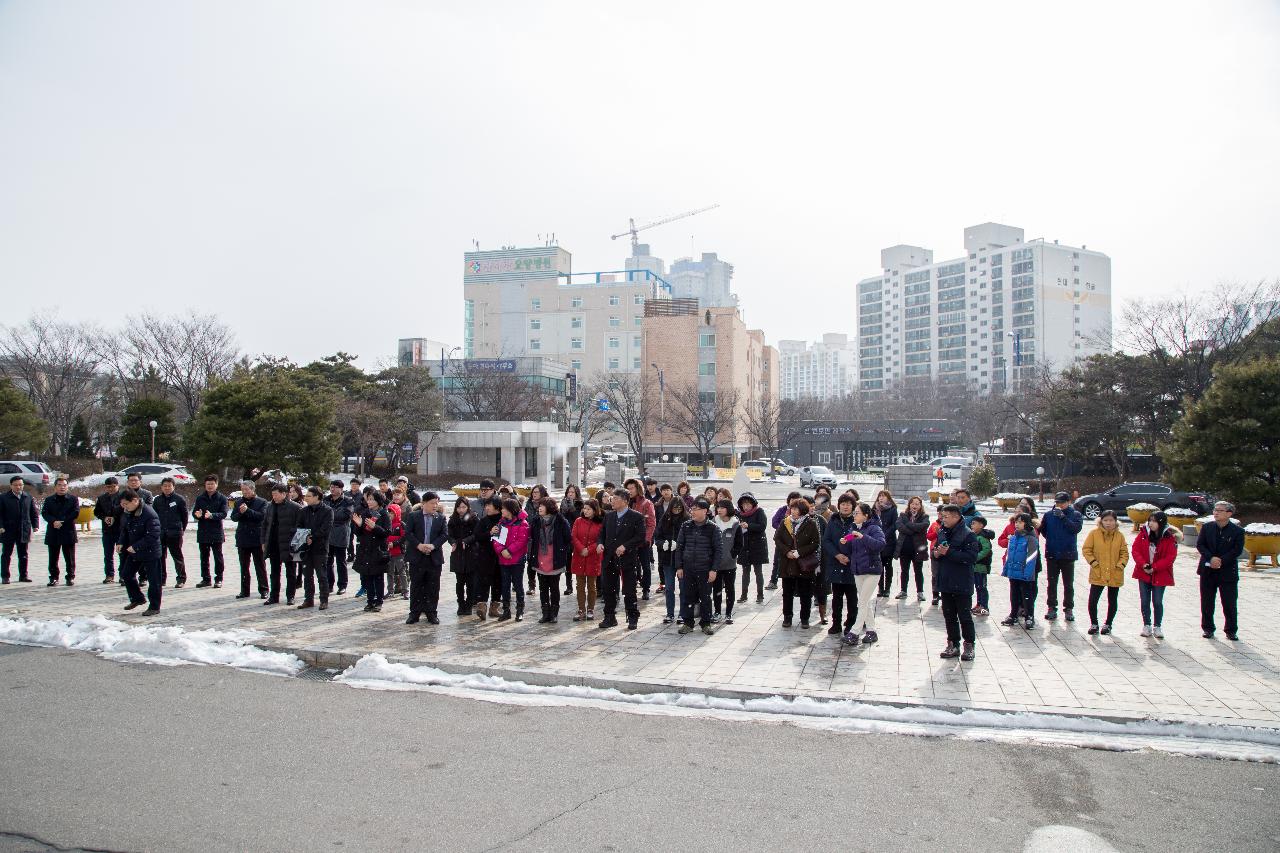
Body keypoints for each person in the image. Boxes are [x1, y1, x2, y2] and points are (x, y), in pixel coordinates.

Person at [933, 504, 980, 660]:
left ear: (956, 516)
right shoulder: (942, 531)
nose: (943, 519)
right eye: (942, 516)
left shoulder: (968, 534)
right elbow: (935, 551)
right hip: (945, 580)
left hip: (962, 581)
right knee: (949, 615)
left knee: (964, 615)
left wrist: (949, 552)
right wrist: (936, 554)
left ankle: (969, 646)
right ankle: (953, 644)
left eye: (946, 516)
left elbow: (971, 558)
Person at [838, 502, 887, 645]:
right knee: (865, 602)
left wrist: (862, 537)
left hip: (872, 570)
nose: (854, 515)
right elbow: (850, 549)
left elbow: (880, 545)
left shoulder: (874, 528)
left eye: (857, 513)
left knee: (863, 601)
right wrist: (844, 542)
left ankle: (854, 632)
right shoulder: (853, 529)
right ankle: (871, 631)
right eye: (854, 513)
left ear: (866, 515)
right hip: (858, 570)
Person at [597, 488, 646, 630]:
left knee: (629, 589)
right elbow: (602, 533)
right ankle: (609, 617)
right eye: (611, 498)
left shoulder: (636, 517)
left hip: (627, 559)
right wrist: (600, 543)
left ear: (625, 501)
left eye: (615, 498)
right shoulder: (609, 516)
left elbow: (640, 537)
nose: (612, 501)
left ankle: (632, 617)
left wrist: (625, 546)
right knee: (608, 589)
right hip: (609, 558)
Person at [1197, 501, 1245, 641]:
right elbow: (1200, 545)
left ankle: (1231, 630)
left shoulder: (1238, 531)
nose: (1216, 512)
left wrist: (1221, 561)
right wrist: (1211, 558)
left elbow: (1237, 550)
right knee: (1207, 602)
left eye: (1220, 510)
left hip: (1227, 572)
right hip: (1207, 570)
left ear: (1229, 513)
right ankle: (1208, 628)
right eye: (1215, 510)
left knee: (1229, 603)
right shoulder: (1206, 528)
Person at [674, 497, 721, 635]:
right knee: (688, 596)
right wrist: (679, 567)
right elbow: (679, 548)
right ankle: (688, 622)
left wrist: (714, 569)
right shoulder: (686, 526)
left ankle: (706, 623)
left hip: (705, 569)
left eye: (695, 509)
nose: (692, 512)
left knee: (705, 597)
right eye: (692, 509)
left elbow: (718, 550)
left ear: (705, 511)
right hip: (688, 568)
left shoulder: (713, 528)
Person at [775, 497, 821, 629]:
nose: (793, 511)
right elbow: (777, 539)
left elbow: (815, 543)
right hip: (788, 563)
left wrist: (799, 552)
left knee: (805, 593)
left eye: (796, 509)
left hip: (804, 563)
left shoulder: (810, 523)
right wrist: (787, 551)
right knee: (787, 593)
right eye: (792, 508)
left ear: (803, 510)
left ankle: (805, 618)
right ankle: (787, 617)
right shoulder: (785, 522)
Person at [1131, 511, 1179, 639]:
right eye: (1150, 520)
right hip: (1143, 572)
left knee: (1157, 601)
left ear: (1161, 523)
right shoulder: (1143, 534)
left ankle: (1157, 626)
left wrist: (1155, 567)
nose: (1151, 523)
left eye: (1154, 521)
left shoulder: (1169, 537)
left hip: (1160, 574)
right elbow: (1135, 550)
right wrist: (1144, 565)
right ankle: (1146, 625)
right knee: (1145, 600)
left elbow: (1170, 557)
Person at [1040, 491, 1084, 622]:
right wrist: (1052, 540)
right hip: (1052, 553)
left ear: (1068, 502)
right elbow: (1044, 531)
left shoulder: (1075, 514)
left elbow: (1075, 529)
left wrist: (1063, 517)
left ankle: (1068, 608)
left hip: (1068, 554)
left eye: (1062, 503)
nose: (1060, 505)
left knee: (1068, 584)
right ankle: (1051, 607)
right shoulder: (1048, 515)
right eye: (1057, 502)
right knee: (1051, 583)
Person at [403, 491, 447, 625]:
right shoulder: (413, 516)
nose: (435, 506)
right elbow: (408, 533)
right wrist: (418, 545)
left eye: (436, 503)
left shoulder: (440, 518)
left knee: (433, 586)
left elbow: (444, 535)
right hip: (417, 557)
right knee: (416, 585)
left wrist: (433, 545)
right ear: (424, 504)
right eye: (432, 503)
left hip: (434, 557)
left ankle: (431, 612)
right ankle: (414, 613)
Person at [116, 488, 161, 613]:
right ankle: (137, 598)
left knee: (154, 580)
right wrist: (120, 542)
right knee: (126, 574)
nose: (124, 507)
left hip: (150, 551)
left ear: (135, 500)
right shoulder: (128, 512)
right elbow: (125, 529)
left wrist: (136, 546)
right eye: (122, 504)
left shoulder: (149, 514)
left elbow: (153, 535)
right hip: (135, 551)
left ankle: (154, 607)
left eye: (126, 504)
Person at [1082, 510, 1127, 635]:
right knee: (1093, 600)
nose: (1108, 523)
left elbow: (1124, 553)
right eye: (1105, 520)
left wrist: (1120, 565)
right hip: (1098, 571)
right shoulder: (1094, 534)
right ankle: (1094, 623)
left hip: (1115, 572)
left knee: (1112, 600)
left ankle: (1108, 624)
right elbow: (1087, 550)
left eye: (1111, 520)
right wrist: (1094, 563)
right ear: (1101, 521)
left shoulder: (1119, 536)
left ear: (1115, 521)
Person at [527, 496, 571, 623]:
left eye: (542, 506)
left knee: (554, 587)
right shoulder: (536, 521)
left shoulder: (561, 521)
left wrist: (561, 550)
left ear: (549, 508)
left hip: (554, 559)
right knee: (543, 587)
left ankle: (554, 613)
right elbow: (531, 537)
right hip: (540, 557)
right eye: (539, 506)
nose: (539, 508)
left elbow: (568, 538)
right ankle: (545, 613)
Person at [822, 494, 859, 639]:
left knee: (852, 597)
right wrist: (837, 555)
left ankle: (850, 623)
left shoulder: (857, 521)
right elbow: (827, 541)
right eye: (843, 503)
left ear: (853, 506)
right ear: (838, 505)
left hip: (852, 565)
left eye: (848, 504)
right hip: (835, 564)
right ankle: (836, 623)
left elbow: (859, 539)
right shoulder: (833, 520)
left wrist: (849, 557)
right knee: (836, 596)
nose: (845, 506)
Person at [262, 484, 305, 605]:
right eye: (273, 494)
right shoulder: (270, 507)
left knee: (291, 572)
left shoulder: (295, 507)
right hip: (274, 543)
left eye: (276, 494)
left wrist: (297, 544)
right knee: (274, 572)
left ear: (284, 494)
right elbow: (265, 525)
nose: (274, 497)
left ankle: (290, 596)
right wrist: (263, 542)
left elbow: (301, 527)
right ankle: (273, 596)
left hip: (289, 544)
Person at [999, 512, 1041, 630]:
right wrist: (1007, 569)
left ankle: (1029, 616)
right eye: (1016, 522)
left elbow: (1032, 557)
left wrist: (1027, 573)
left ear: (1026, 523)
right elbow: (1009, 555)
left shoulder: (1031, 539)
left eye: (1020, 522)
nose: (1017, 524)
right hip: (1014, 572)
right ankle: (1013, 615)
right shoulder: (1013, 537)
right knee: (1014, 594)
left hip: (1024, 573)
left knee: (1027, 595)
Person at [352, 490, 392, 613]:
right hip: (365, 549)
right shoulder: (365, 513)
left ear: (379, 501)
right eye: (368, 499)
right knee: (367, 576)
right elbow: (358, 534)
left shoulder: (384, 514)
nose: (369, 502)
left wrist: (375, 527)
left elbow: (387, 532)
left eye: (372, 499)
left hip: (378, 550)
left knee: (378, 577)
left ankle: (379, 601)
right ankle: (370, 601)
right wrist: (358, 525)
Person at [492, 497, 530, 621]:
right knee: (505, 585)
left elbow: (521, 541)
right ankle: (506, 610)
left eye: (503, 508)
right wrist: (501, 551)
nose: (501, 510)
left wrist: (509, 551)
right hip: (503, 559)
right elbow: (496, 540)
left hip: (517, 559)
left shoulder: (522, 523)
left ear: (510, 510)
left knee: (518, 584)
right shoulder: (501, 523)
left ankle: (520, 610)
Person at [230, 481, 269, 600]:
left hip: (257, 538)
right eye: (243, 490)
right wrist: (241, 513)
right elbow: (233, 517)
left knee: (260, 565)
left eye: (247, 490)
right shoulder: (238, 502)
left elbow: (262, 517)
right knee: (244, 566)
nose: (245, 492)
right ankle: (244, 590)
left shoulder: (262, 502)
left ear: (253, 489)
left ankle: (264, 589)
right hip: (243, 538)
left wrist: (248, 511)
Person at [298, 486, 334, 609]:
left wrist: (312, 537)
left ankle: (324, 600)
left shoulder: (327, 511)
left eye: (308, 496)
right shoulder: (303, 511)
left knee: (321, 575)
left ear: (317, 497)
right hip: (306, 548)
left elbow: (325, 529)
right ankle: (308, 599)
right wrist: (304, 537)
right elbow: (299, 527)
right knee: (307, 575)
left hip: (320, 547)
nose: (306, 498)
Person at [149, 476, 189, 588]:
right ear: (161, 487)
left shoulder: (179, 499)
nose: (167, 488)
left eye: (169, 486)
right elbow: (154, 517)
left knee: (177, 556)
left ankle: (181, 579)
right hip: (160, 533)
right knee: (160, 556)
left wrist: (181, 529)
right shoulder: (157, 500)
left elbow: (184, 517)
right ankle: (161, 579)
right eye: (165, 486)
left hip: (175, 533)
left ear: (173, 487)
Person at [40, 476, 80, 586]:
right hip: (54, 531)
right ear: (55, 487)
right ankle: (53, 577)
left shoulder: (73, 499)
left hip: (68, 531)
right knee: (53, 557)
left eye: (64, 485)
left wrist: (62, 521)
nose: (62, 487)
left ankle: (70, 577)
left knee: (70, 557)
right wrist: (53, 521)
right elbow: (45, 513)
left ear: (67, 486)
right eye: (59, 485)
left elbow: (75, 513)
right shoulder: (49, 500)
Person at [655, 492, 687, 624]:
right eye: (675, 508)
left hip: (682, 560)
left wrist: (679, 546)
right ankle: (670, 613)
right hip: (667, 558)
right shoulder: (665, 519)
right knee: (669, 588)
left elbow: (691, 540)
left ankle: (683, 613)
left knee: (683, 588)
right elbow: (657, 537)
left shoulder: (687, 520)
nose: (677, 511)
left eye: (679, 509)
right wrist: (663, 544)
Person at [0, 475, 38, 584]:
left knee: (23, 554)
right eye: (15, 485)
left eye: (20, 485)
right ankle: (5, 576)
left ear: (23, 485)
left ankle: (23, 575)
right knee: (6, 554)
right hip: (8, 529)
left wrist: (35, 525)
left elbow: (33, 513)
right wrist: (1, 526)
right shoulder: (3, 498)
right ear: (11, 485)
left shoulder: (28, 497)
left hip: (23, 529)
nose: (18, 487)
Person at [570, 498, 603, 621]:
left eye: (589, 509)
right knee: (579, 585)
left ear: (595, 510)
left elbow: (600, 539)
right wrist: (581, 548)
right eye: (584, 508)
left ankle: (590, 609)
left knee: (591, 585)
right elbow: (574, 536)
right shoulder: (578, 521)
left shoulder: (600, 523)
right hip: (579, 556)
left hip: (593, 557)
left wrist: (588, 549)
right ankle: (581, 609)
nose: (586, 511)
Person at [192, 475, 227, 588]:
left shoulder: (222, 498)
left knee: (218, 557)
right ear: (205, 485)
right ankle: (206, 579)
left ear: (216, 485)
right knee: (204, 557)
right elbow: (195, 512)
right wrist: (197, 515)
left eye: (212, 484)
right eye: (208, 484)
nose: (210, 486)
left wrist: (212, 515)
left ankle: (219, 578)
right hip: (203, 531)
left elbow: (224, 513)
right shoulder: (200, 498)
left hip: (216, 532)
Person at [471, 498, 503, 620]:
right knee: (483, 581)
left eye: (489, 505)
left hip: (500, 556)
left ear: (497, 507)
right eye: (486, 506)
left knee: (498, 582)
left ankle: (494, 607)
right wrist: (489, 533)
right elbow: (477, 536)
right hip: (485, 556)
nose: (487, 508)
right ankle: (482, 606)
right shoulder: (483, 521)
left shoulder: (503, 520)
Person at [625, 478, 657, 601]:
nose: (629, 491)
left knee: (645, 565)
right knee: (630, 566)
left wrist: (647, 539)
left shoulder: (646, 503)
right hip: (628, 541)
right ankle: (631, 587)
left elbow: (651, 523)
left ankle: (646, 589)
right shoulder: (624, 503)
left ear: (638, 489)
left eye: (632, 488)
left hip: (643, 541)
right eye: (627, 488)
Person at [735, 493, 769, 604]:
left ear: (752, 504)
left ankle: (760, 595)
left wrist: (749, 526)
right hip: (745, 546)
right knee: (745, 572)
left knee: (758, 571)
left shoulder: (759, 512)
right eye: (743, 504)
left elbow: (762, 526)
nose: (745, 506)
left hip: (757, 546)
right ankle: (744, 595)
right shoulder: (740, 514)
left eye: (748, 504)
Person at [446, 497, 478, 616]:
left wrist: (466, 541)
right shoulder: (452, 519)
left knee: (471, 582)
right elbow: (448, 535)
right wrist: (453, 542)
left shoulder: (473, 518)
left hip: (471, 553)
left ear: (468, 507)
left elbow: (476, 534)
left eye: (464, 507)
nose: (461, 510)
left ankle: (469, 604)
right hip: (458, 553)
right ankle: (461, 604)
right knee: (459, 582)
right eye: (459, 507)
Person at [895, 496, 929, 601]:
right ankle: (903, 591)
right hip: (904, 548)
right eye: (913, 503)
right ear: (909, 504)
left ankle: (920, 592)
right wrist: (913, 530)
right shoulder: (903, 515)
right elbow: (899, 526)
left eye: (917, 504)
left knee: (918, 571)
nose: (914, 506)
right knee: (904, 571)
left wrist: (909, 525)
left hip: (918, 549)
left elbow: (923, 526)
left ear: (920, 505)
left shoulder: (924, 516)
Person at [323, 480, 354, 595]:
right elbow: (322, 514)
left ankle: (342, 585)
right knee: (328, 561)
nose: (333, 489)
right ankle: (329, 584)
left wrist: (330, 515)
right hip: (328, 535)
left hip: (341, 534)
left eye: (335, 487)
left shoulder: (348, 501)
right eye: (331, 487)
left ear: (341, 489)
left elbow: (346, 516)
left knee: (341, 561)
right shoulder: (326, 499)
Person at [766, 491, 801, 590]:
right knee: (777, 561)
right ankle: (773, 581)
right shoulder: (783, 510)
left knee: (796, 562)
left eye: (796, 500)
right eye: (792, 499)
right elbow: (774, 522)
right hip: (782, 541)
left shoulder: (802, 512)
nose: (794, 502)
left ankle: (796, 583)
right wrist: (783, 529)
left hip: (796, 542)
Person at [711, 500, 738, 624]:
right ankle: (717, 612)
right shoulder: (713, 523)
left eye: (722, 508)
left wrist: (732, 554)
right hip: (715, 564)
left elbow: (739, 544)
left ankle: (728, 613)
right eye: (718, 507)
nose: (719, 510)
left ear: (728, 509)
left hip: (730, 564)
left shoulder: (735, 524)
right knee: (716, 589)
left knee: (730, 589)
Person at [93, 477, 124, 583]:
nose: (111, 489)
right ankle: (109, 575)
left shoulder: (123, 497)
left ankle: (123, 575)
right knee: (108, 554)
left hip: (121, 530)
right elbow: (97, 512)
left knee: (122, 553)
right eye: (108, 487)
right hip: (107, 530)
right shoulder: (102, 498)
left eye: (113, 486)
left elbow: (127, 511)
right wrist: (104, 518)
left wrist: (115, 517)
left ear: (117, 486)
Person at [521, 485, 549, 593]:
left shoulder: (547, 504)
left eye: (537, 492)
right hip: (530, 537)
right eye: (533, 492)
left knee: (542, 560)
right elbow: (525, 518)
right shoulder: (529, 504)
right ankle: (531, 585)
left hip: (544, 536)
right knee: (531, 561)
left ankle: (544, 583)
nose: (534, 494)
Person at [872, 490, 898, 598]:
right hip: (877, 542)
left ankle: (887, 588)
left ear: (888, 498)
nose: (881, 498)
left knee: (888, 565)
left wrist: (884, 534)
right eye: (880, 496)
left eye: (883, 496)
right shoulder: (874, 509)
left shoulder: (892, 509)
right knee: (879, 566)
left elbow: (894, 525)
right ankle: (880, 588)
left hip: (889, 542)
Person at [386, 490, 410, 601]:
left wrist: (394, 543)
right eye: (389, 513)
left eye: (392, 513)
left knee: (402, 572)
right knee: (390, 572)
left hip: (399, 552)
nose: (390, 515)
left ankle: (405, 591)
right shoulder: (387, 524)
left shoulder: (401, 524)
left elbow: (404, 537)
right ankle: (390, 591)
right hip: (389, 552)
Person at [560, 484, 582, 596]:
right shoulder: (563, 504)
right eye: (569, 492)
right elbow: (561, 518)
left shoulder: (580, 504)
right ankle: (569, 586)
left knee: (579, 560)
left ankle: (580, 584)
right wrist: (565, 508)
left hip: (578, 536)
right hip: (566, 536)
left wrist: (572, 508)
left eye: (573, 492)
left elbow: (579, 518)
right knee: (567, 561)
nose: (570, 494)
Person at [969, 516, 994, 617]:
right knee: (978, 587)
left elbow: (986, 550)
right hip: (975, 567)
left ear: (981, 525)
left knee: (982, 587)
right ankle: (979, 604)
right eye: (972, 523)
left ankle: (984, 606)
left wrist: (975, 557)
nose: (972, 525)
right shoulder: (975, 535)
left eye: (974, 523)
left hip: (981, 566)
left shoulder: (983, 537)